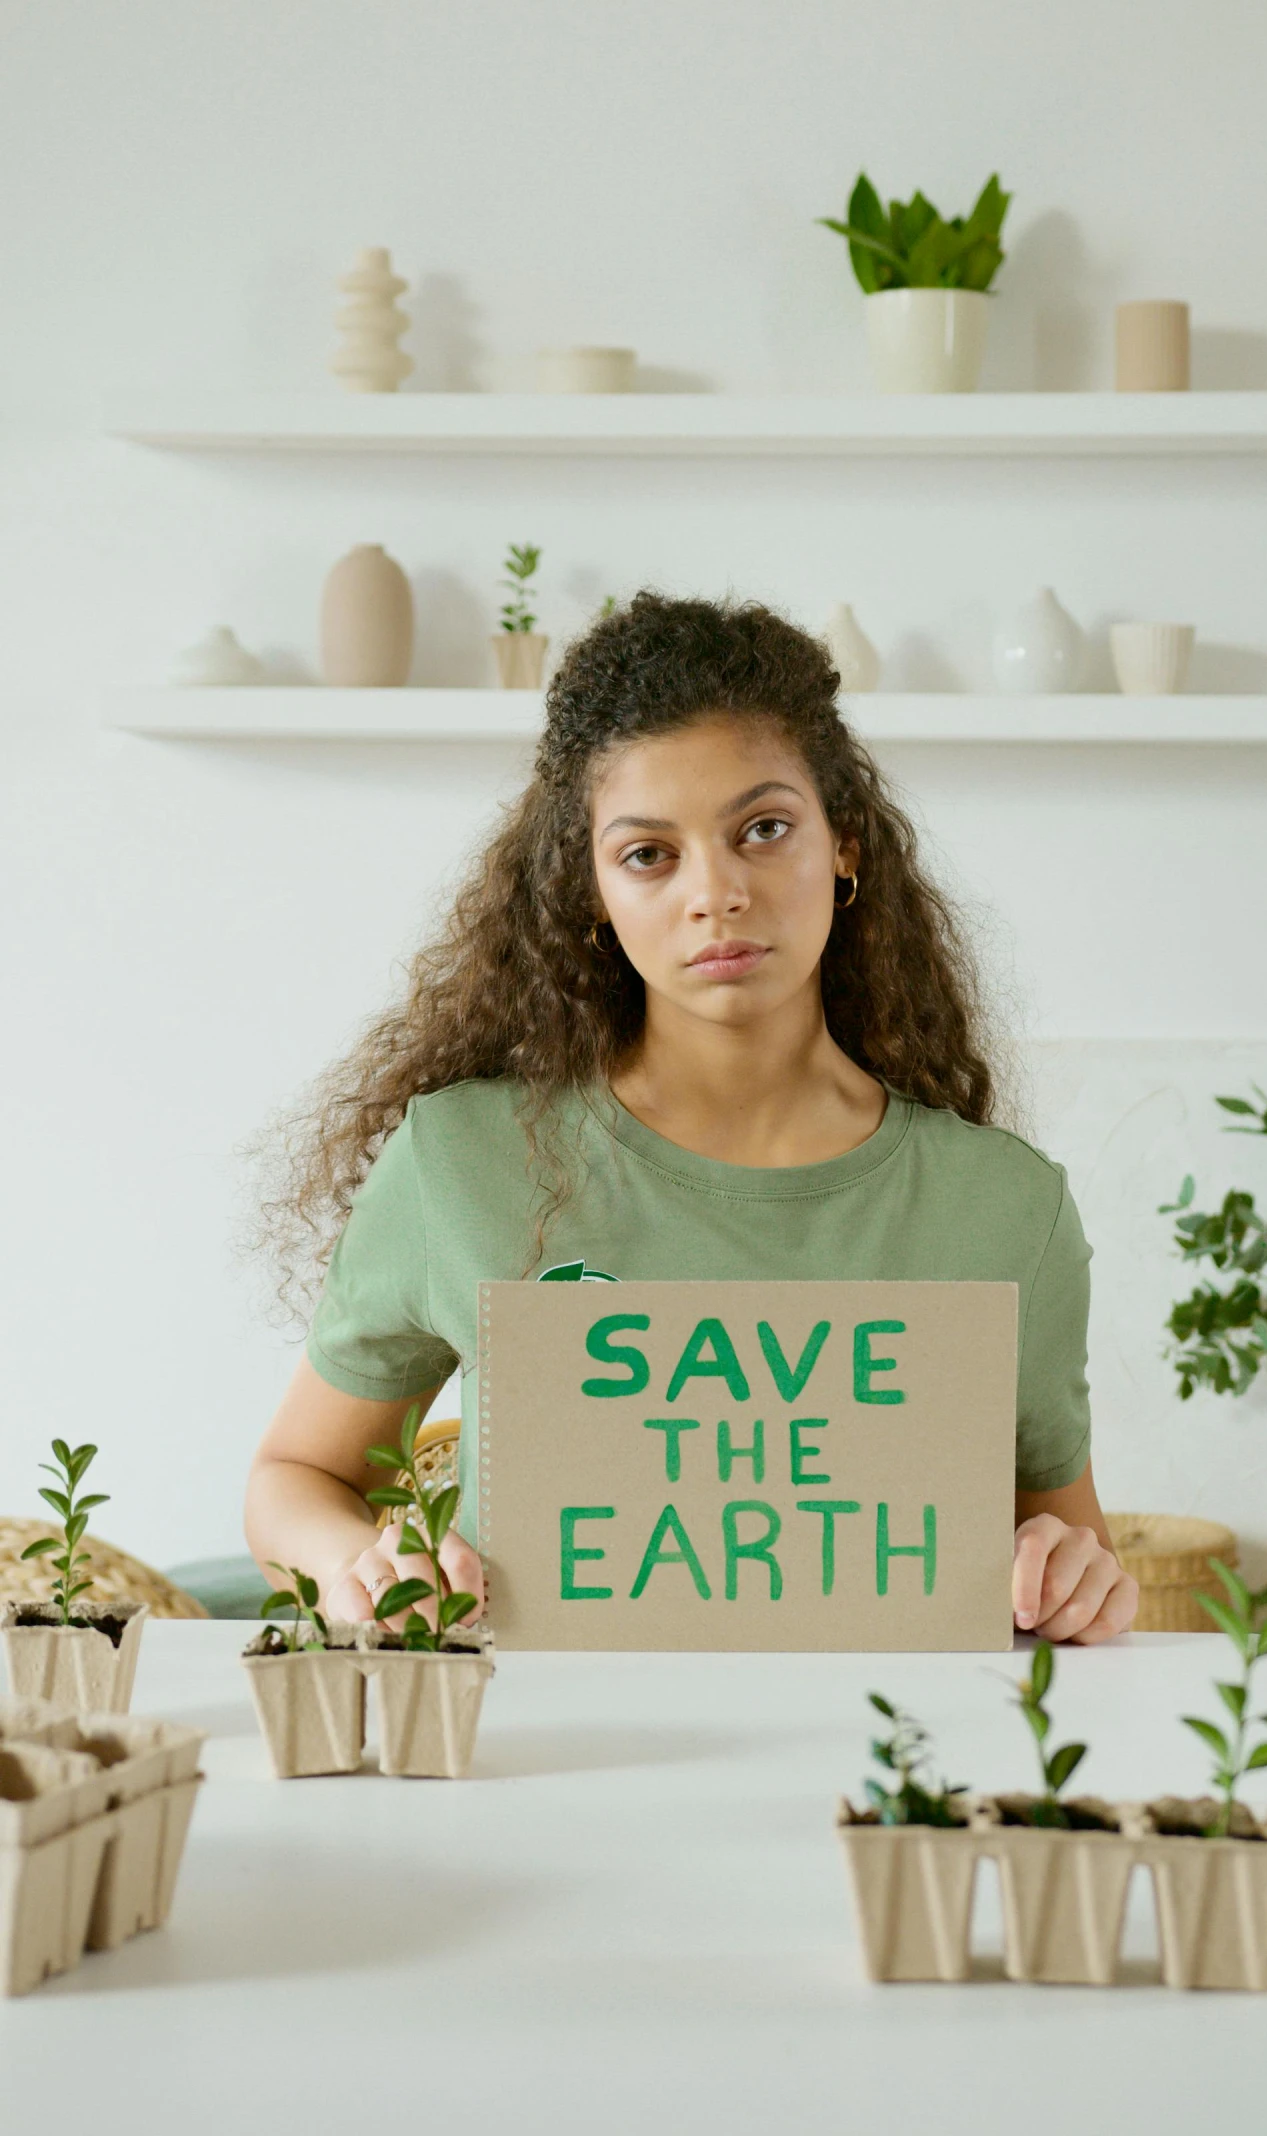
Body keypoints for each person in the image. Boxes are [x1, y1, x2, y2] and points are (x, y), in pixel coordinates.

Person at [246, 593, 1138, 1646]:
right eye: (648, 854)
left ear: (845, 843)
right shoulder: (460, 1160)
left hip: (886, 1778)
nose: (716, 893)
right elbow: (293, 1478)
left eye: (763, 830)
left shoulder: (1006, 1208)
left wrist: (1077, 1579)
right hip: (543, 1772)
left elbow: (1062, 1545)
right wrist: (361, 1560)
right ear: (590, 890)